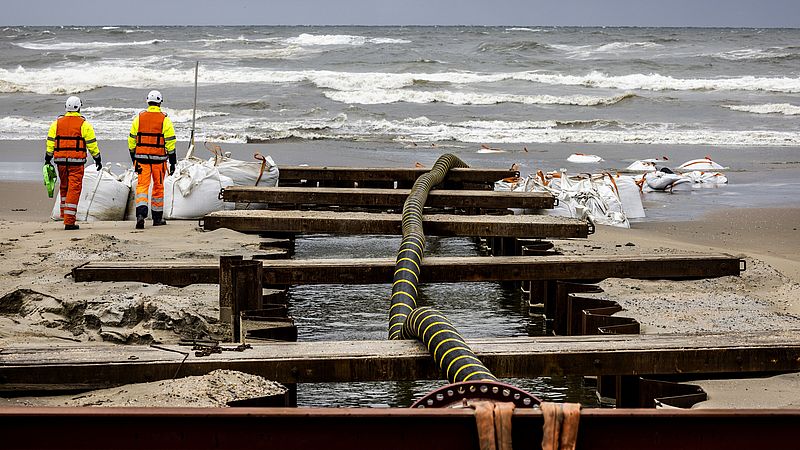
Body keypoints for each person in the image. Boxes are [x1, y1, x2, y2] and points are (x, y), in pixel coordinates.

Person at [45, 96, 102, 230]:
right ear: (79, 107)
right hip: (76, 162)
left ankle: (64, 215)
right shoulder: (84, 124)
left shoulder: (56, 123)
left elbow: (50, 142)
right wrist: (97, 158)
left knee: (64, 186)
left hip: (60, 161)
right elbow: (91, 144)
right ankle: (69, 221)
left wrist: (48, 157)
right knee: (74, 189)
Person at [128, 90, 177, 229]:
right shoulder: (165, 119)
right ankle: (157, 218)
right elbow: (170, 142)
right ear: (160, 102)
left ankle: (140, 215)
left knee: (142, 187)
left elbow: (131, 140)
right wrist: (173, 161)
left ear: (147, 101)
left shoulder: (139, 118)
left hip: (141, 159)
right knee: (158, 187)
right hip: (159, 160)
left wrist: (133, 158)